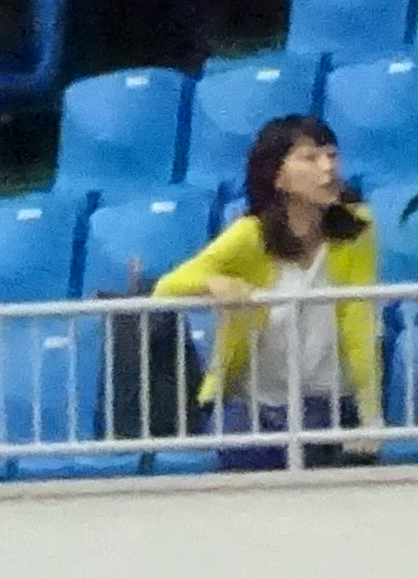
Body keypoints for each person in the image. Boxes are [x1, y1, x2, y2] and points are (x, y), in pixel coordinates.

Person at [153, 115, 384, 467]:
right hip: (252, 405)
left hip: (329, 401)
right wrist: (213, 282)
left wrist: (370, 414)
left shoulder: (357, 228)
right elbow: (166, 288)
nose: (328, 167)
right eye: (310, 158)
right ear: (277, 175)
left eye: (332, 155)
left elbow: (358, 319)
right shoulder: (250, 235)